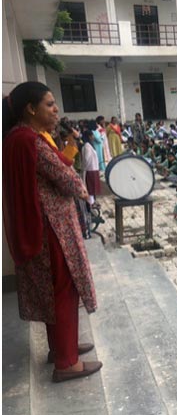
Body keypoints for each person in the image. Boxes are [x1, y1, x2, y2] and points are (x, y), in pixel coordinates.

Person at [2, 82, 102, 382]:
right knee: (63, 291)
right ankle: (67, 362)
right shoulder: (30, 140)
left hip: (43, 227)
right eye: (49, 104)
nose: (55, 109)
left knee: (54, 291)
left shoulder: (19, 137)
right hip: (52, 230)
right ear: (30, 109)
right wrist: (82, 191)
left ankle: (61, 348)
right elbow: (67, 178)